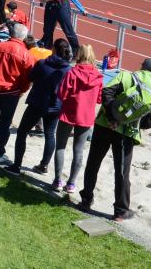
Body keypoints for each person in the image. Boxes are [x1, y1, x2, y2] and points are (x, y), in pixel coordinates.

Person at [78, 58, 151, 222]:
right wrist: (126, 121)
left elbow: (106, 92)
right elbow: (149, 123)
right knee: (122, 171)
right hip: (127, 134)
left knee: (93, 162)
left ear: (141, 67)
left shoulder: (126, 76)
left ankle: (86, 200)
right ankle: (120, 211)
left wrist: (112, 118)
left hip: (104, 125)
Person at [5, 38, 73, 176]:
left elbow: (30, 77)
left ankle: (17, 165)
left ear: (54, 49)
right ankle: (44, 165)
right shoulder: (68, 69)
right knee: (50, 134)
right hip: (55, 106)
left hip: (37, 103)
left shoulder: (43, 63)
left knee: (22, 131)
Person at [0, 22, 34, 163]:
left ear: (11, 34)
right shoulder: (26, 55)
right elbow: (27, 79)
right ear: (24, 37)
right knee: (5, 125)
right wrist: (21, 91)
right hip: (11, 94)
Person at [52, 45, 102, 193]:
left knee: (60, 146)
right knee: (79, 151)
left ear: (78, 55)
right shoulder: (98, 76)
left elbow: (62, 94)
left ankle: (57, 180)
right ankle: (71, 183)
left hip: (68, 114)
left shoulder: (72, 72)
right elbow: (99, 99)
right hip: (86, 116)